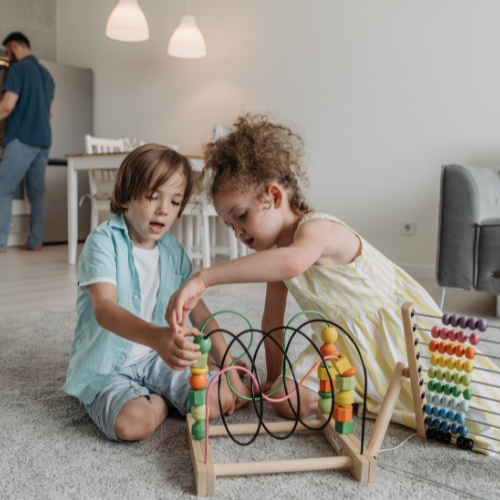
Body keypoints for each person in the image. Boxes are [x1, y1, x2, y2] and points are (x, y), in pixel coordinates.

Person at [165, 114, 500, 454]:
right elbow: (271, 322)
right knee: (283, 398)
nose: (237, 231)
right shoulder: (278, 254)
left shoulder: (316, 230)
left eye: (241, 216)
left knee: (477, 410)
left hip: (395, 336)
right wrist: (272, 378)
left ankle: (368, 393)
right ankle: (353, 394)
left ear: (274, 196)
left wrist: (204, 277)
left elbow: (294, 261)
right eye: (229, 224)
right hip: (340, 348)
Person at [63, 144, 248, 442]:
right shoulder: (102, 242)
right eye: (153, 197)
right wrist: (157, 339)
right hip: (109, 367)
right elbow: (105, 309)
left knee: (221, 399)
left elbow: (201, 313)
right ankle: (161, 402)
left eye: (175, 202)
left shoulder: (172, 251)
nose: (164, 209)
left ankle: (172, 388)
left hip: (159, 358)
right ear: (125, 196)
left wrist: (227, 365)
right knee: (132, 424)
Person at [0, 32, 55, 253]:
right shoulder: (47, 74)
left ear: (14, 46)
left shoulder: (17, 69)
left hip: (23, 137)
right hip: (43, 140)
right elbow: (50, 113)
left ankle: (0, 242)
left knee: (3, 188)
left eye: (7, 51)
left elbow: (7, 105)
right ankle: (35, 241)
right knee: (36, 193)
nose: (8, 56)